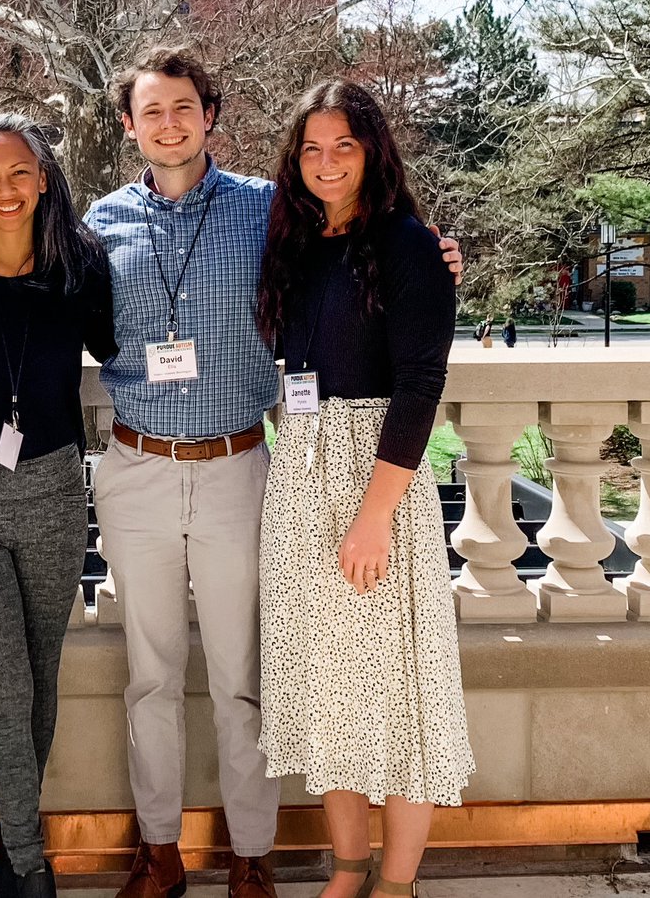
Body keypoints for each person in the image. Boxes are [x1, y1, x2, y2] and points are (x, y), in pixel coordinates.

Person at [83, 46, 464, 898]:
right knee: (153, 675)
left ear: (209, 113)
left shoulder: (268, 212)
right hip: (146, 465)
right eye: (152, 111)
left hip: (243, 465)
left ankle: (253, 856)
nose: (170, 123)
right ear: (129, 124)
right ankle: (160, 852)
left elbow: (384, 283)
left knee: (244, 677)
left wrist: (438, 263)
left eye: (184, 106)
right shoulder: (98, 225)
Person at [256, 80, 474, 898]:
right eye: (311, 148)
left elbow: (420, 386)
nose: (327, 161)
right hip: (302, 474)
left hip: (375, 481)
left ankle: (397, 881)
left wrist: (374, 517)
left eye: (343, 144)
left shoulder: (409, 244)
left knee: (404, 694)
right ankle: (347, 869)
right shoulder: (297, 242)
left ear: (374, 150)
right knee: (330, 688)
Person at [0, 113, 116, 898]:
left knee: (40, 678)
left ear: (43, 181)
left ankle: (15, 845)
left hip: (52, 492)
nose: (4, 190)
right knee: (4, 686)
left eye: (18, 174)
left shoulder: (81, 266)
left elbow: (122, 348)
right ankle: (33, 872)